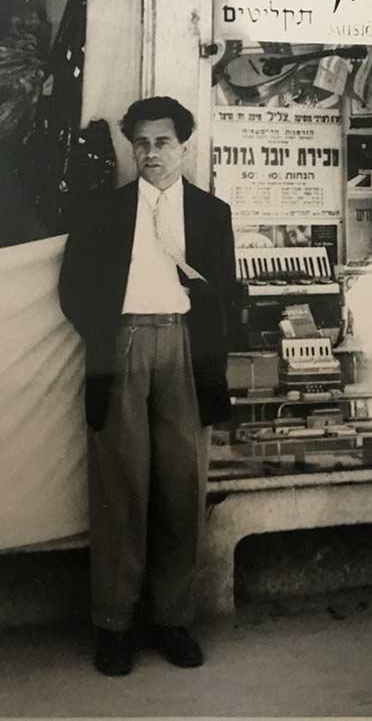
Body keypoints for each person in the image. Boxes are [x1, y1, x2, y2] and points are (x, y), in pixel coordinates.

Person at [59, 96, 236, 677]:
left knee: (182, 488)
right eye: (141, 142)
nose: (150, 153)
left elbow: (226, 298)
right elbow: (74, 290)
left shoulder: (212, 214)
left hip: (184, 351)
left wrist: (201, 341)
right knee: (120, 488)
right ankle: (114, 626)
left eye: (162, 142)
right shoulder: (103, 212)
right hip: (123, 348)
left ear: (185, 146)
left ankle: (173, 621)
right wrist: (111, 336)